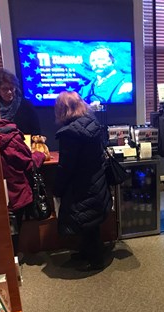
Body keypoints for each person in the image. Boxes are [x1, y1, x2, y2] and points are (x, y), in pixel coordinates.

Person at [54, 91, 112, 271]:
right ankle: (89, 252)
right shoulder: (92, 122)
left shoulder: (69, 133)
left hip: (81, 184)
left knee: (86, 222)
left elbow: (66, 166)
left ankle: (95, 261)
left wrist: (58, 188)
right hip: (95, 180)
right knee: (91, 221)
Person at [0, 69, 41, 135]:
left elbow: (36, 131)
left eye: (11, 88)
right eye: (5, 89)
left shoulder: (25, 104)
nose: (9, 92)